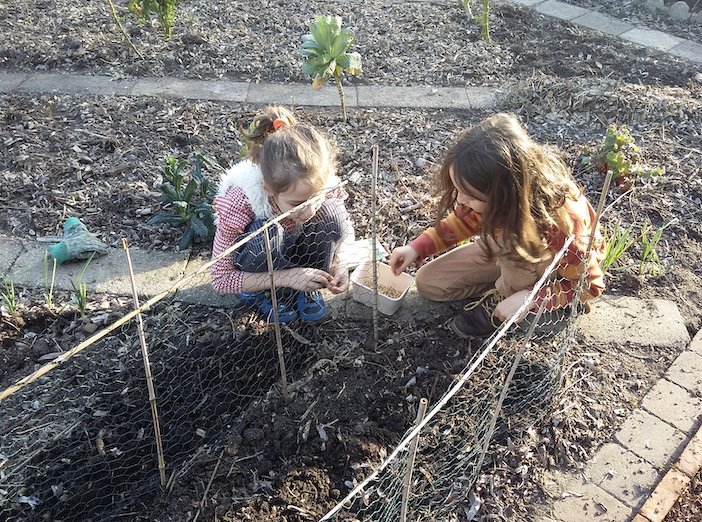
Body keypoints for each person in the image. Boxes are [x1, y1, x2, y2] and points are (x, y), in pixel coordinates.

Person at [389, 113, 605, 338]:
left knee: (518, 274)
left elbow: (589, 287)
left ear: (506, 193)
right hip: (509, 245)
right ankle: (508, 284)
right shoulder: (496, 194)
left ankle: (524, 300)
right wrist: (417, 248)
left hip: (554, 267)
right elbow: (464, 221)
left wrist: (532, 298)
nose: (461, 201)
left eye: (470, 196)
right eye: (459, 190)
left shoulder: (562, 226)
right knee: (429, 284)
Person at [211, 106, 354, 323]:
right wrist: (287, 277)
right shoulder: (242, 199)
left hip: (298, 253)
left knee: (333, 216)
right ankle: (266, 293)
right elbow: (220, 279)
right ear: (268, 189)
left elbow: (345, 230)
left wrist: (339, 264)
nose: (309, 210)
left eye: (315, 199)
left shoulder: (322, 185)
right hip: (259, 266)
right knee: (264, 233)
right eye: (297, 204)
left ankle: (308, 285)